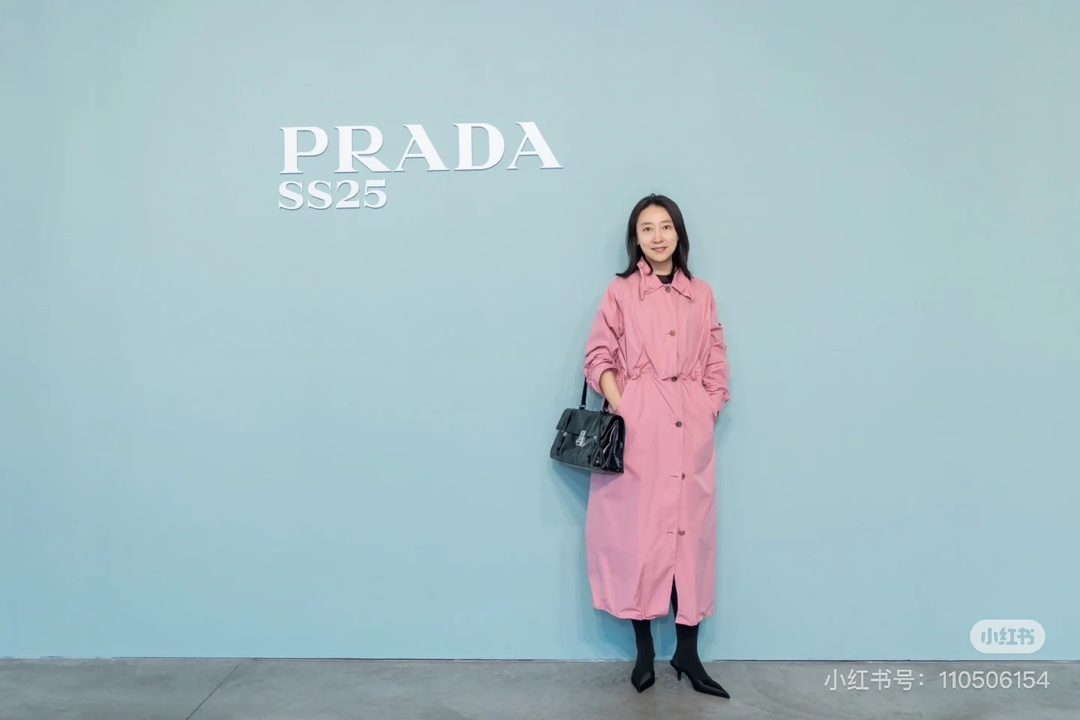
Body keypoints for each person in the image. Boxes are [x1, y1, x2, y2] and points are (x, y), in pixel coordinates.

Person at [582, 193, 731, 698]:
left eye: (665, 226)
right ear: (636, 239)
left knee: (690, 538)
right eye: (647, 228)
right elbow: (598, 355)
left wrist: (708, 405)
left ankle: (688, 654)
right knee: (639, 538)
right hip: (639, 427)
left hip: (690, 428)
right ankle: (644, 652)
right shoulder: (621, 291)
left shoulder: (702, 294)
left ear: (678, 233)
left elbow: (717, 358)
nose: (657, 236)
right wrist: (626, 406)